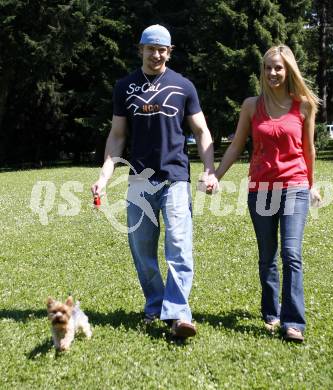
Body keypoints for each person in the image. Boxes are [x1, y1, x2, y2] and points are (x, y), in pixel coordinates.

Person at [91, 24, 218, 338]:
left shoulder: (184, 86)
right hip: (139, 182)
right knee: (142, 249)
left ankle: (177, 314)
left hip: (175, 177)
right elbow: (117, 136)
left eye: (162, 49)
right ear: (141, 50)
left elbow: (201, 132)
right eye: (151, 48)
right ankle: (155, 305)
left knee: (179, 244)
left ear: (169, 52)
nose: (156, 54)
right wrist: (104, 176)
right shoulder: (125, 87)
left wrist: (209, 169)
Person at [215, 45, 321, 343]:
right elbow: (236, 145)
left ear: (288, 71)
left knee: (291, 253)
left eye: (278, 68)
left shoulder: (303, 106)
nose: (272, 73)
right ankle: (271, 311)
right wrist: (216, 175)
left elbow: (308, 149)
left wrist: (312, 183)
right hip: (260, 189)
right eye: (267, 68)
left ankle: (293, 322)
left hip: (294, 186)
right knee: (267, 256)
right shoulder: (251, 105)